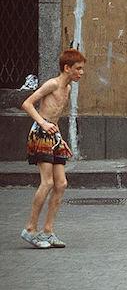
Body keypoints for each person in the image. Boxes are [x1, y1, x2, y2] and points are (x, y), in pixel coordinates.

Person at [20, 49, 86, 249]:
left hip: (53, 136)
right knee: (47, 182)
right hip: (40, 134)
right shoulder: (53, 84)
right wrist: (42, 123)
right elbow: (27, 103)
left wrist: (59, 138)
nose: (81, 73)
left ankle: (47, 231)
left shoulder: (67, 89)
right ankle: (30, 229)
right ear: (67, 68)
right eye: (78, 69)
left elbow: (55, 115)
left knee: (61, 184)